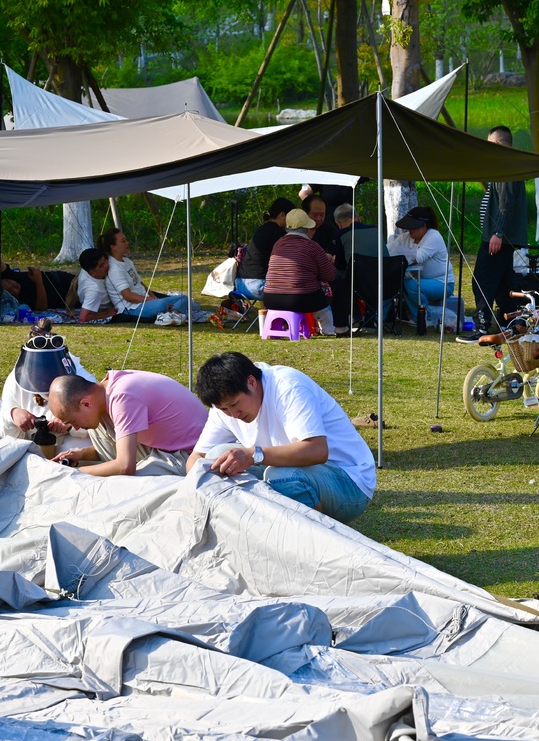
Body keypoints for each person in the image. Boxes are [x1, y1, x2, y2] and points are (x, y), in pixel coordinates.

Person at [188, 352, 375, 523]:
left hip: (350, 483)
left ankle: (315, 536)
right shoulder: (224, 405)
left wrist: (253, 455)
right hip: (291, 470)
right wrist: (200, 479)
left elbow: (317, 450)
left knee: (282, 477)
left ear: (251, 382)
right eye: (224, 409)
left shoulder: (288, 386)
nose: (233, 414)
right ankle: (247, 528)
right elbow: (196, 458)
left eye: (235, 404)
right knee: (216, 458)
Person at [46, 370, 208, 477]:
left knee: (125, 485)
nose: (75, 427)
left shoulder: (122, 397)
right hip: (169, 446)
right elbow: (119, 446)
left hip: (190, 455)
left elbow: (125, 467)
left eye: (73, 421)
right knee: (97, 424)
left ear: (85, 403)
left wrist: (76, 473)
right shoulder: (105, 390)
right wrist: (80, 454)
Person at [470, 126, 531, 333]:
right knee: (504, 285)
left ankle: (481, 327)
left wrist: (498, 233)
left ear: (496, 143)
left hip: (498, 239)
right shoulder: (506, 165)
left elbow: (506, 205)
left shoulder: (507, 165)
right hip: (500, 238)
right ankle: (513, 324)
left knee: (482, 281)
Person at [264, 208, 338, 333]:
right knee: (329, 290)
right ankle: (330, 328)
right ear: (308, 229)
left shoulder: (277, 244)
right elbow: (329, 276)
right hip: (299, 299)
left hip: (270, 298)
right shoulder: (313, 246)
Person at [389, 205, 456, 332]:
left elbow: (416, 258)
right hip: (421, 281)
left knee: (411, 285)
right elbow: (389, 250)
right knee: (403, 283)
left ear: (423, 226)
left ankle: (425, 317)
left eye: (413, 227)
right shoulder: (407, 237)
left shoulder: (433, 236)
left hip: (443, 283)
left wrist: (398, 256)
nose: (409, 230)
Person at [100, 226, 191, 320]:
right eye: (123, 241)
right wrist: (153, 301)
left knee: (183, 298)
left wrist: (154, 298)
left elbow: (141, 284)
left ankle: (173, 314)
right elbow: (128, 296)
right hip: (131, 308)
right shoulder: (114, 268)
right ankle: (172, 313)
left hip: (146, 301)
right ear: (113, 247)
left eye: (126, 240)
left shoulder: (127, 261)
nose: (127, 243)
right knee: (161, 305)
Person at [331, 203, 379, 335]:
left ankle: (354, 316)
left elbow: (340, 266)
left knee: (339, 278)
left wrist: (334, 258)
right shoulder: (376, 230)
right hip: (384, 281)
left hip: (358, 283)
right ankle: (370, 319)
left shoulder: (342, 234)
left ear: (339, 224)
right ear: (358, 217)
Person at [236, 196, 296, 299]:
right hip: (259, 286)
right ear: (282, 215)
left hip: (240, 284)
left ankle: (266, 310)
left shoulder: (261, 229)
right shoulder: (279, 233)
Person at [302, 193, 341, 260]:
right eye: (315, 215)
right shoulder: (296, 228)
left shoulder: (330, 229)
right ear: (305, 213)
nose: (318, 219)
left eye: (322, 215)